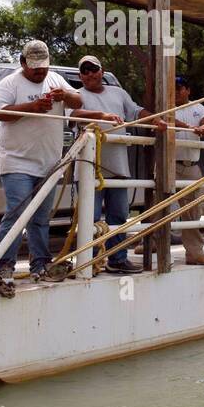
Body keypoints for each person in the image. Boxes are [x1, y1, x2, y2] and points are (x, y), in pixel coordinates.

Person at [0, 39, 83, 280]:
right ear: (22, 63)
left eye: (44, 65)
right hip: (17, 161)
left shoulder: (55, 80)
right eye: (35, 66)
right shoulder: (9, 83)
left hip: (49, 162)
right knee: (17, 214)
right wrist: (32, 106)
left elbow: (78, 102)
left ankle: (40, 264)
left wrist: (66, 95)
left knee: (41, 218)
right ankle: (4, 265)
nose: (41, 70)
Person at [69, 55, 150, 274]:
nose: (89, 74)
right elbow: (75, 114)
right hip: (88, 170)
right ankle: (89, 262)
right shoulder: (77, 96)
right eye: (84, 71)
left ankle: (118, 259)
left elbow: (136, 111)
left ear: (101, 71)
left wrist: (156, 120)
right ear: (80, 76)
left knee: (119, 216)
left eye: (93, 69)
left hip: (118, 168)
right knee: (90, 217)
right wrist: (102, 115)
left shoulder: (118, 93)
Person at [170, 75, 204, 265]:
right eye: (173, 88)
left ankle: (194, 252)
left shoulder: (197, 108)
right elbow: (168, 120)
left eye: (180, 88)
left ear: (188, 90)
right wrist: (191, 127)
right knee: (158, 208)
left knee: (192, 212)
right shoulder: (166, 105)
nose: (176, 92)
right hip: (169, 163)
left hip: (191, 165)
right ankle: (153, 243)